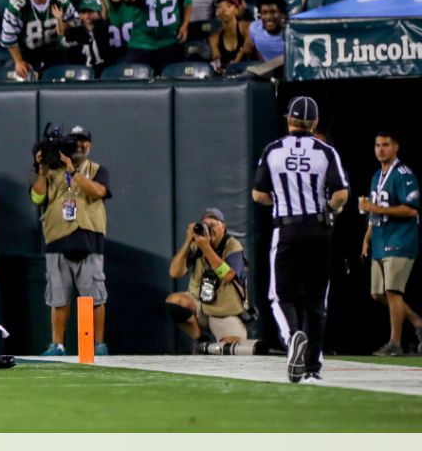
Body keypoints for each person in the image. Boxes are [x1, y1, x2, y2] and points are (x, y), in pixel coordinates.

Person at [252, 96, 350, 383]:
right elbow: (341, 194)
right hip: (319, 230)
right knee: (317, 300)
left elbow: (258, 194)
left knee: (280, 295)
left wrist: (283, 199)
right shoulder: (326, 151)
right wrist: (330, 208)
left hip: (286, 229)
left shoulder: (273, 151)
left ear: (289, 120)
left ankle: (292, 335)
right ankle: (312, 367)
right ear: (315, 122)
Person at [32, 124, 111, 356]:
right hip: (58, 239)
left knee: (95, 296)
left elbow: (98, 192)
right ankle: (57, 344)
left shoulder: (97, 169)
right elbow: (37, 197)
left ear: (90, 145)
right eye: (74, 141)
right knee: (58, 296)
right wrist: (41, 169)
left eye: (83, 141)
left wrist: (73, 172)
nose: (79, 145)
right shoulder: (51, 171)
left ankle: (98, 345)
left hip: (89, 239)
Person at [359, 132, 422, 357]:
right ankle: (418, 323)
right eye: (377, 145)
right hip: (381, 238)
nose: (380, 149)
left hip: (400, 238)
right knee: (377, 293)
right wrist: (367, 238)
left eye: (385, 145)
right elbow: (372, 212)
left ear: (396, 147)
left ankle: (395, 343)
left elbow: (411, 209)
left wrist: (379, 210)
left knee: (392, 291)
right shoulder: (377, 175)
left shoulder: (404, 174)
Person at [166, 208, 259, 355]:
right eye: (205, 225)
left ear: (223, 227)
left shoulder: (232, 245)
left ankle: (221, 339)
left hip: (224, 311)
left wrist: (206, 248)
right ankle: (200, 340)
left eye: (213, 225)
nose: (208, 230)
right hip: (200, 306)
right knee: (174, 301)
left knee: (231, 350)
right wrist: (188, 241)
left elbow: (228, 275)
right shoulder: (197, 245)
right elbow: (174, 272)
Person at [1, 0, 78, 80]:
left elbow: (74, 23)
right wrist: (18, 61)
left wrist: (61, 22)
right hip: (27, 52)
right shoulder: (16, 5)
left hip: (55, 50)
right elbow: (9, 36)